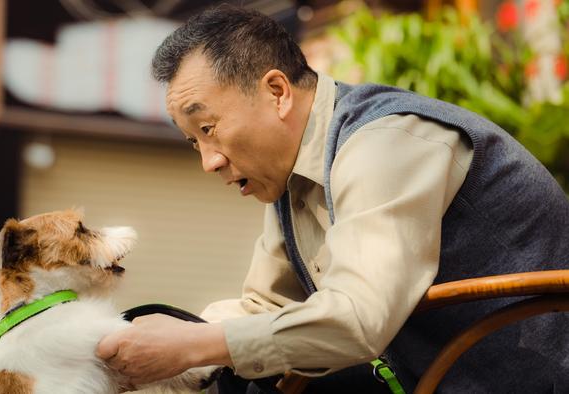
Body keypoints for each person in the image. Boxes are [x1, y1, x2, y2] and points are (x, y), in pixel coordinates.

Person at [96, 4, 569, 393]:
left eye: (208, 129)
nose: (209, 161)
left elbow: (358, 317)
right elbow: (265, 308)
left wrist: (194, 345)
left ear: (277, 92)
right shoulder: (291, 174)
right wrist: (132, 344)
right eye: (194, 142)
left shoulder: (387, 140)